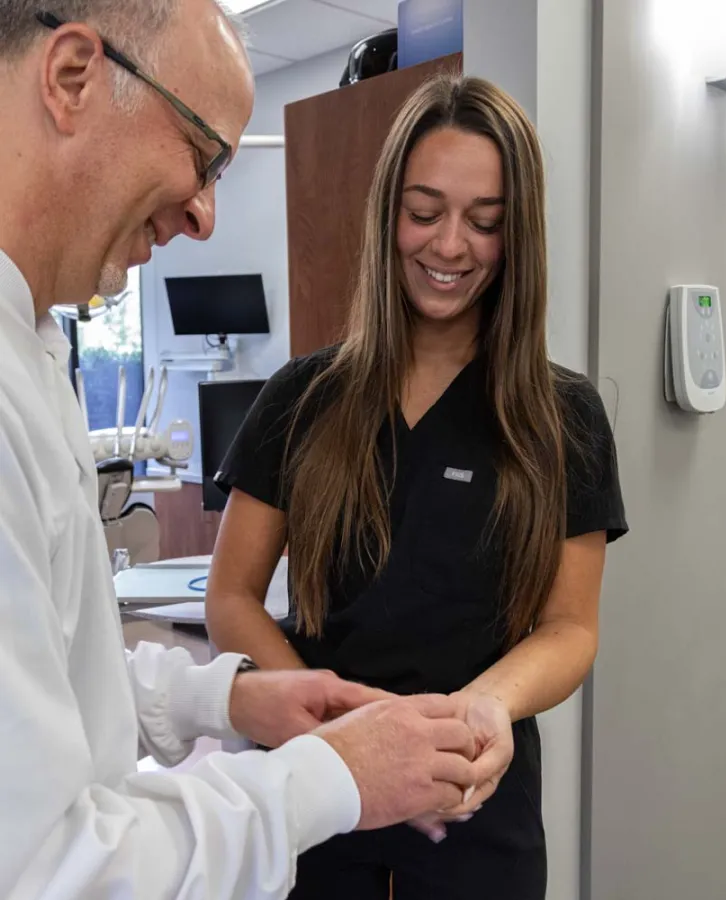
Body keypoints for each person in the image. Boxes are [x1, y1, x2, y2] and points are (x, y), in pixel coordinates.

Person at [0, 3, 483, 898]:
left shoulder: (35, 342)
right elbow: (44, 866)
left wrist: (219, 698)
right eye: (202, 154)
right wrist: (330, 776)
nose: (206, 215)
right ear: (72, 78)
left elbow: (50, 684)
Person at [206, 73, 629, 900]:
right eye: (425, 212)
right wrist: (339, 731)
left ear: (519, 237)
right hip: (313, 789)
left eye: (485, 222)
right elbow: (232, 598)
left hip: (476, 799)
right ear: (388, 215)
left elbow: (570, 626)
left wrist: (478, 712)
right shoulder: (302, 397)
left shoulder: (564, 416)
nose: (449, 246)